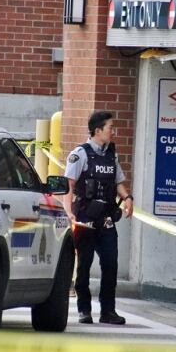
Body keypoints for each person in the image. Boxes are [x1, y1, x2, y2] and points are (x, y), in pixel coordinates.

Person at [64, 111, 134, 325]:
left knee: (110, 264)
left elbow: (118, 181)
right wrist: (68, 211)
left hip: (106, 219)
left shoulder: (111, 154)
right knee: (84, 265)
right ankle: (84, 309)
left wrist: (127, 197)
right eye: (110, 127)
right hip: (85, 218)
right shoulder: (80, 154)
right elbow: (69, 185)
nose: (113, 131)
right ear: (98, 130)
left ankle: (108, 311)